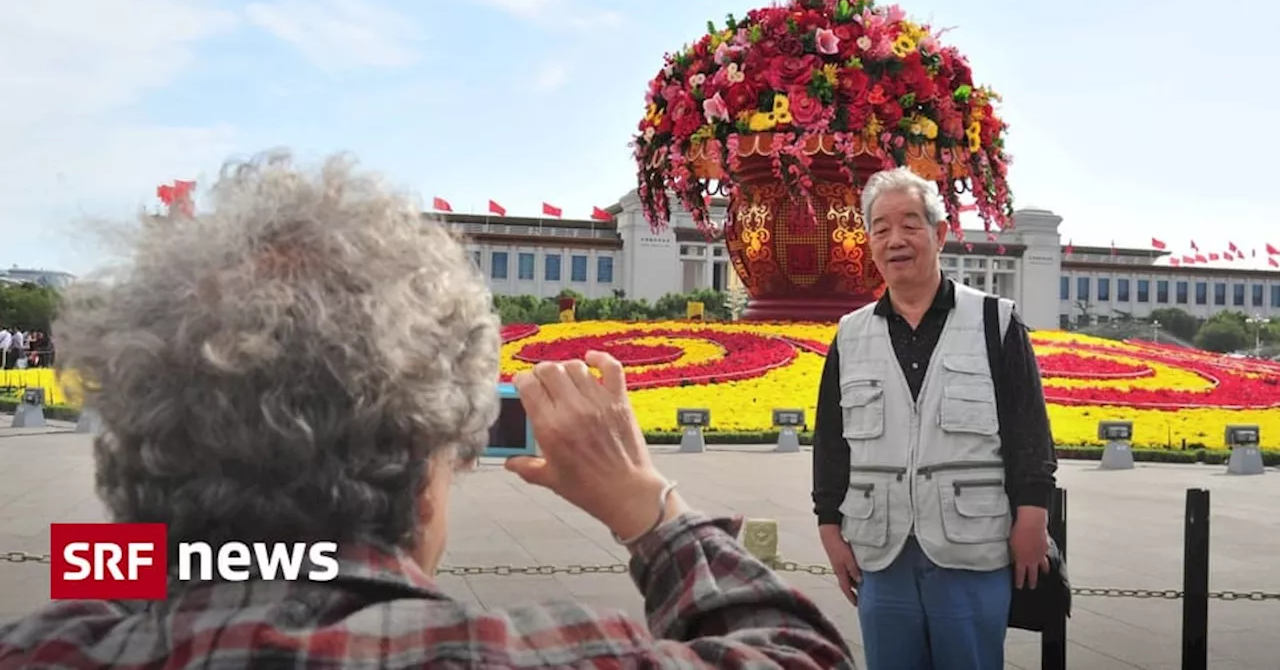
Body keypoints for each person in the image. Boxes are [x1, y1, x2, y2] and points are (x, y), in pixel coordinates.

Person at [0, 151, 855, 669]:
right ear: (422, 471)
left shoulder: (49, 646)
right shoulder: (529, 650)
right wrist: (648, 506)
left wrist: (182, 545)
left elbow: (128, 584)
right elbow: (801, 653)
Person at [810, 167, 1058, 670]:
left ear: (939, 233)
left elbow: (1029, 428)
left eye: (909, 224)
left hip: (972, 548)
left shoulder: (995, 322)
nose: (895, 240)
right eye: (880, 228)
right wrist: (829, 527)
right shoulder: (850, 335)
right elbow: (832, 444)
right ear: (869, 242)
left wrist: (1032, 516)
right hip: (882, 553)